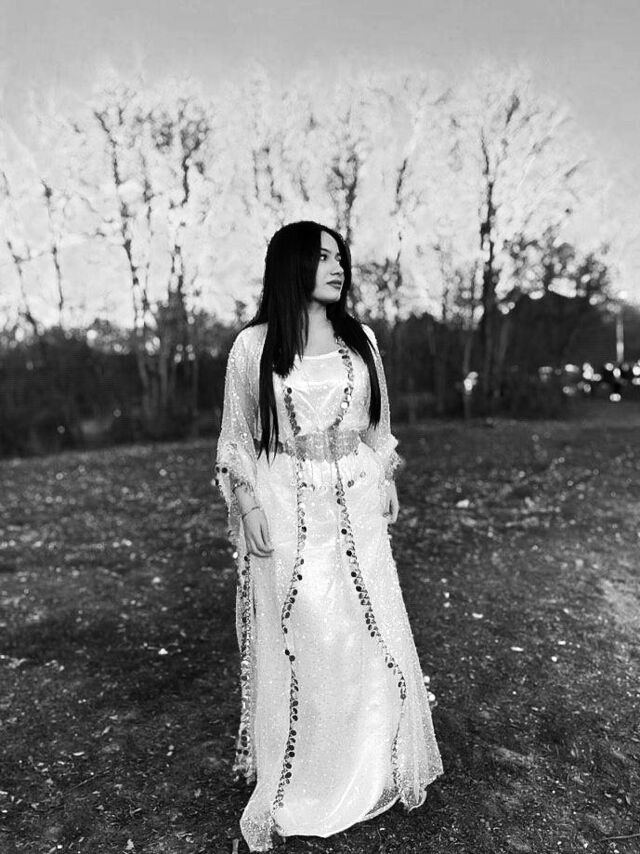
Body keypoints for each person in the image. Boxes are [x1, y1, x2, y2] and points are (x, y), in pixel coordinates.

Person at [214, 221, 443, 852]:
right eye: (322, 257)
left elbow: (377, 425)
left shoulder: (360, 339)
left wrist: (385, 474)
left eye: (340, 257)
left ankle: (370, 759)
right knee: (307, 627)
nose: (338, 267)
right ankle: (305, 771)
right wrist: (246, 502)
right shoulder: (252, 346)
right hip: (286, 501)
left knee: (364, 626)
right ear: (291, 265)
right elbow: (236, 438)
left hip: (357, 499)